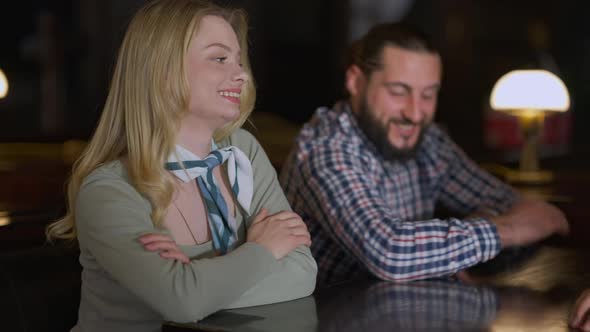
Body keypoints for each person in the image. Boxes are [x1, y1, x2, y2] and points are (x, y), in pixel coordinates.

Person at [46, 1, 317, 331]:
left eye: (238, 59)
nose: (241, 73)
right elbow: (182, 300)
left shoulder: (242, 150)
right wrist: (262, 250)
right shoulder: (108, 190)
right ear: (162, 68)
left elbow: (303, 272)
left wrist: (196, 282)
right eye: (219, 58)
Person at [279, 22, 568, 286]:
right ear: (356, 82)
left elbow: (515, 206)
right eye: (398, 91)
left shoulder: (429, 142)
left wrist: (462, 243)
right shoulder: (326, 148)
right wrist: (504, 230)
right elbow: (390, 252)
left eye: (428, 94)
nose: (415, 113)